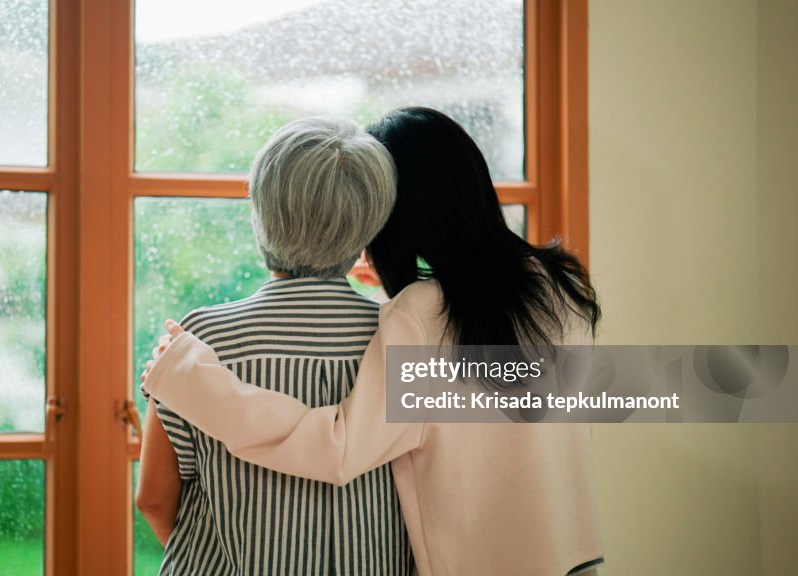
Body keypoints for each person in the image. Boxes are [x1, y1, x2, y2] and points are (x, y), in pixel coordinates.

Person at [143, 107, 605, 575]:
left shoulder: (419, 315)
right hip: (574, 561)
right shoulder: (561, 287)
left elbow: (337, 448)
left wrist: (190, 377)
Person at [135, 116, 414, 575]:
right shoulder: (402, 337)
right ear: (371, 223)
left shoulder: (199, 339)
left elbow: (154, 498)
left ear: (259, 207)